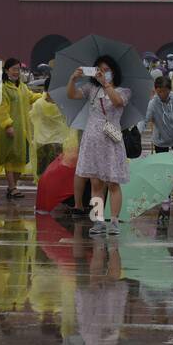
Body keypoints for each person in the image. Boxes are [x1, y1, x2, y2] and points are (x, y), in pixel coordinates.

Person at [67, 55, 130, 236]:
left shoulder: (123, 90)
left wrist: (106, 84)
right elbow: (71, 95)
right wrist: (73, 79)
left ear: (113, 71)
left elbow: (118, 102)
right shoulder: (91, 89)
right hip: (93, 140)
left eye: (107, 70)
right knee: (96, 183)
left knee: (113, 183)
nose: (103, 73)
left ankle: (115, 221)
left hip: (111, 141)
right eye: (99, 70)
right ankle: (98, 221)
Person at [0, 57, 37, 199]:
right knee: (10, 159)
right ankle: (12, 187)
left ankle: (12, 186)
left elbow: (31, 97)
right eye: (14, 69)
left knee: (22, 158)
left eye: (19, 69)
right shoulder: (3, 89)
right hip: (10, 130)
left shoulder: (22, 87)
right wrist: (7, 125)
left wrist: (45, 97)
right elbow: (0, 109)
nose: (17, 72)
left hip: (23, 130)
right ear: (7, 70)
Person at [145, 70, 173, 165]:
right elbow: (146, 119)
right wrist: (136, 132)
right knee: (162, 166)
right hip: (161, 140)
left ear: (169, 90)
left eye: (164, 91)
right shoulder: (153, 103)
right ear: (155, 90)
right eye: (159, 91)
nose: (161, 94)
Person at [30, 88, 69, 178]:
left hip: (41, 141)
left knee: (42, 172)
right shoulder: (62, 104)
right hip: (58, 141)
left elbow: (33, 117)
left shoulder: (38, 103)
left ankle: (42, 190)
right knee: (57, 172)